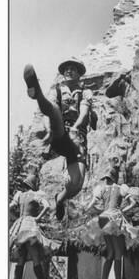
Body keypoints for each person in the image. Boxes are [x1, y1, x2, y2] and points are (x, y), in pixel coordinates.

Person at [23, 58, 93, 221]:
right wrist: (48, 131)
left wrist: (76, 127)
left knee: (76, 183)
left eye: (73, 69)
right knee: (54, 111)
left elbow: (83, 112)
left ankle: (60, 199)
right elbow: (49, 113)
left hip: (77, 140)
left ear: (79, 73)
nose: (69, 71)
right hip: (61, 133)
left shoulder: (85, 92)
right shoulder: (57, 90)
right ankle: (37, 93)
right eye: (66, 69)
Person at [85, 169, 139, 279]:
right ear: (115, 177)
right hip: (115, 218)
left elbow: (90, 205)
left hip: (104, 219)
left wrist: (86, 211)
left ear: (106, 178)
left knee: (110, 252)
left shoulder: (101, 189)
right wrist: (123, 210)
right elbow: (134, 203)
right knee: (118, 253)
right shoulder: (121, 188)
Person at [9, 174, 58, 279]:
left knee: (21, 258)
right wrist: (37, 218)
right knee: (36, 258)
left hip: (19, 227)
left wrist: (16, 218)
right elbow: (47, 206)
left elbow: (10, 207)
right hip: (30, 227)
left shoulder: (19, 195)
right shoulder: (36, 195)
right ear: (34, 184)